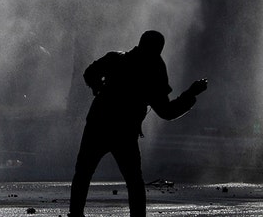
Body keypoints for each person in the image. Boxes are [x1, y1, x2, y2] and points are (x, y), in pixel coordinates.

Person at [68, 30, 208, 217]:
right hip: (125, 132)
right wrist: (190, 94)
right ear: (159, 49)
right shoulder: (154, 71)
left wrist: (97, 86)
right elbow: (167, 112)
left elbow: (89, 73)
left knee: (84, 173)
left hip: (99, 125)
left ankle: (75, 214)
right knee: (134, 180)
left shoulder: (116, 58)